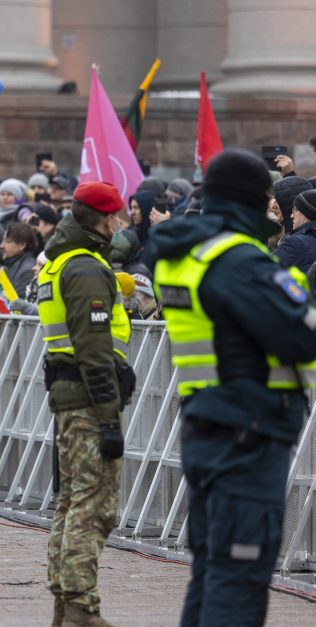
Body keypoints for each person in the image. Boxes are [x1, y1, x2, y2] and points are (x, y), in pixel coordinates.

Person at [150, 149, 316, 626]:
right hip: (249, 431)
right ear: (252, 200)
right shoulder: (239, 261)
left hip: (208, 421)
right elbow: (300, 334)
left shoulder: (183, 257)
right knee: (239, 576)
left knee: (213, 569)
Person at [39, 181, 134, 627]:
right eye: (116, 217)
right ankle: (80, 608)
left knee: (71, 501)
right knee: (92, 506)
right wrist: (109, 416)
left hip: (69, 397)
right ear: (103, 219)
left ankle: (66, 604)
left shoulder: (60, 264)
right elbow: (93, 348)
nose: (119, 225)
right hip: (89, 400)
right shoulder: (85, 269)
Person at [274, 189, 316, 273]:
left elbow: (263, 268)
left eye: (295, 210)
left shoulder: (297, 243)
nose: (291, 216)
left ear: (307, 212)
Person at [1, 222, 37, 297]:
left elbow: (20, 304)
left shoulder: (28, 270)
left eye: (7, 241)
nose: (1, 246)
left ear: (22, 245)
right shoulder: (11, 264)